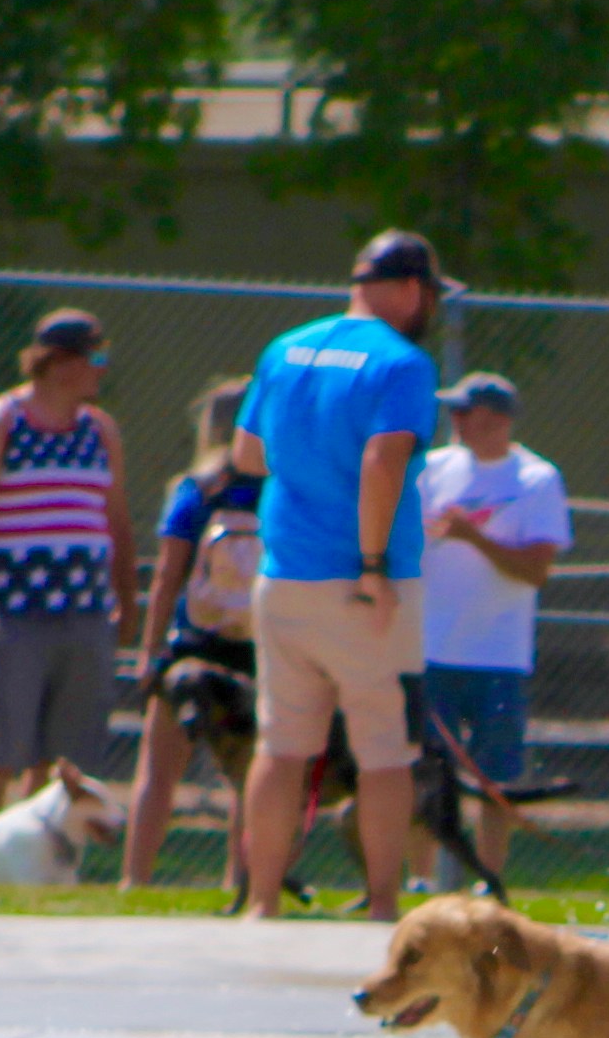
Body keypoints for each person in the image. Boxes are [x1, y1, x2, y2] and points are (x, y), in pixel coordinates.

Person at [233, 230, 449, 921]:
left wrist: (310, 464)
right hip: (362, 581)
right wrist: (373, 565)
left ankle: (261, 901)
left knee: (281, 747)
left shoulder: (285, 347)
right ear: (414, 290)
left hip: (282, 573)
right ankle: (383, 902)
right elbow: (383, 461)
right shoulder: (403, 363)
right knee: (385, 752)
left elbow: (247, 454)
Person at [0, 308, 138, 837]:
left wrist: (127, 600)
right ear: (59, 363)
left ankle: (37, 868)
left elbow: (116, 519)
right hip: (15, 615)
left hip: (87, 613)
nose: (102, 369)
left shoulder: (101, 432)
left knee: (65, 764)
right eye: (95, 357)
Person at [407, 369, 571, 881]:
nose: (453, 420)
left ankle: (488, 881)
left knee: (496, 778)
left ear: (498, 420)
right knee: (423, 771)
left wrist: (471, 538)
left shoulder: (536, 480)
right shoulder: (431, 470)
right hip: (431, 650)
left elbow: (535, 570)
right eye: (451, 409)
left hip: (499, 655)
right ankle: (420, 879)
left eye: (465, 410)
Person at [123, 375, 259, 891]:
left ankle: (136, 879)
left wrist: (151, 649)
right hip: (257, 645)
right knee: (250, 774)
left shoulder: (197, 490)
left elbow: (167, 575)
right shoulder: (282, 487)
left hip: (194, 644)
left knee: (159, 770)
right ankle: (239, 880)